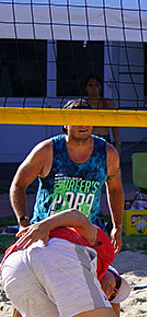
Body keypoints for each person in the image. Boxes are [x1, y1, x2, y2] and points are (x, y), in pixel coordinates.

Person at [10, 98, 125, 252]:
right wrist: (23, 221)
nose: (83, 123)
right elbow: (18, 185)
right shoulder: (47, 150)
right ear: (65, 123)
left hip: (85, 232)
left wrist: (117, 226)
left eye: (87, 118)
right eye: (77, 118)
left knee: (107, 277)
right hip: (47, 232)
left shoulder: (108, 153)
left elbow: (115, 189)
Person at [1, 208, 132, 317]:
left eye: (112, 297)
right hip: (58, 250)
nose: (113, 291)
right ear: (111, 271)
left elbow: (19, 306)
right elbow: (77, 216)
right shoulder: (105, 256)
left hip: (12, 266)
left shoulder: (77, 285)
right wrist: (47, 224)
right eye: (118, 284)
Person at [83, 76, 120, 150]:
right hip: (88, 140)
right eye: (90, 85)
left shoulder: (109, 103)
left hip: (105, 139)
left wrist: (117, 144)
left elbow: (114, 126)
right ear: (86, 88)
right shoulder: (83, 104)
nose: (93, 88)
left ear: (100, 87)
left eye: (96, 85)